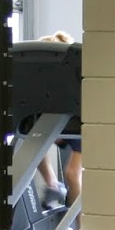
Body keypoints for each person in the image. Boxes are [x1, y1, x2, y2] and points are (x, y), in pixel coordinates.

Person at [35, 31, 83, 208]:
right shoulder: (45, 79)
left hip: (82, 127)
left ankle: (81, 222)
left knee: (72, 174)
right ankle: (54, 185)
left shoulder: (73, 74)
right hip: (64, 125)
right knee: (35, 145)